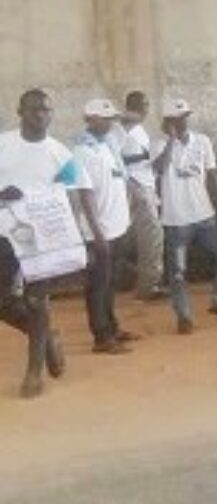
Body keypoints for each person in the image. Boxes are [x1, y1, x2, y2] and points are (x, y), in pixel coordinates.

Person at [0, 90, 78, 397]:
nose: (41, 115)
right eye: (34, 110)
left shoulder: (61, 154)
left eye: (47, 110)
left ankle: (34, 373)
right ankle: (46, 337)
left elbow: (70, 197)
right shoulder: (3, 144)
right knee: (3, 304)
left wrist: (71, 235)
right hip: (4, 234)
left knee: (37, 301)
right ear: (20, 111)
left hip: (43, 240)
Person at [153, 98, 217, 334]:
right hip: (175, 221)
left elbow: (212, 177)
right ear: (168, 121)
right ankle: (184, 317)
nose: (183, 122)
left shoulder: (202, 142)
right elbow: (159, 168)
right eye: (178, 119)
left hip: (205, 216)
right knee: (178, 273)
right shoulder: (159, 144)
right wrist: (171, 140)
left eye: (185, 117)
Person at [73, 99, 139, 354]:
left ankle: (112, 327)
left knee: (110, 282)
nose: (111, 122)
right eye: (106, 118)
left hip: (117, 226)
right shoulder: (82, 151)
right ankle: (101, 337)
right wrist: (96, 232)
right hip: (99, 231)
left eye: (112, 118)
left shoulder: (107, 145)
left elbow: (131, 119)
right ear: (90, 118)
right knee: (98, 284)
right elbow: (84, 193)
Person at [117, 90, 164, 301]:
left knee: (139, 236)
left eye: (146, 105)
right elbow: (121, 157)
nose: (145, 109)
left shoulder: (138, 129)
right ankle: (147, 287)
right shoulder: (124, 126)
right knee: (151, 234)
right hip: (136, 184)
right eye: (141, 104)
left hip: (144, 182)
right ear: (131, 105)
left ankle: (144, 282)